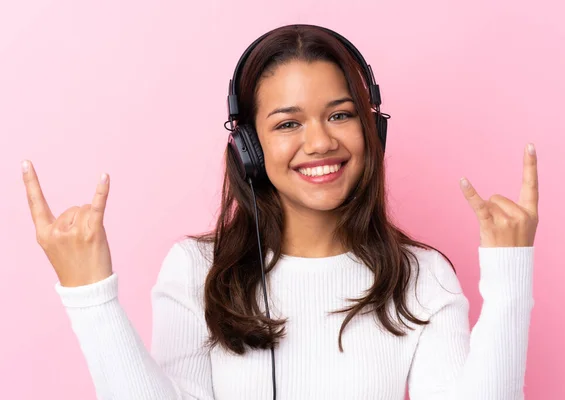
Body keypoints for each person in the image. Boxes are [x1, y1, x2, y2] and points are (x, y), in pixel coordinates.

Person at [21, 24, 538, 400]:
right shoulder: (196, 270)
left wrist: (510, 276)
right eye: (288, 123)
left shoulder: (421, 276)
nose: (319, 141)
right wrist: (91, 296)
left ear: (372, 131)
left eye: (340, 114)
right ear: (248, 145)